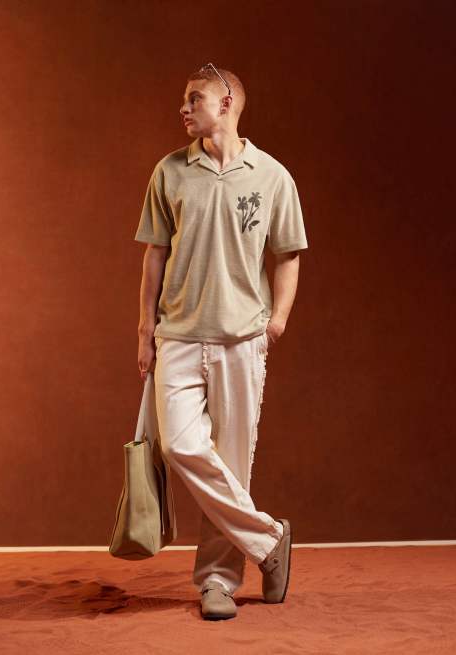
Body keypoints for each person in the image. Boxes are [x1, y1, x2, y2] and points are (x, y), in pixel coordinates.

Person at [134, 63, 308, 620]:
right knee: (179, 446)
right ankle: (268, 540)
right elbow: (154, 255)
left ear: (227, 101)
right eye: (184, 100)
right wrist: (145, 331)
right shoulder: (169, 172)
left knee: (232, 465)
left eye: (195, 99)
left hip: (241, 340)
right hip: (178, 337)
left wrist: (277, 320)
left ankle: (217, 581)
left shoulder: (272, 176)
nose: (183, 109)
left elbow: (288, 254)